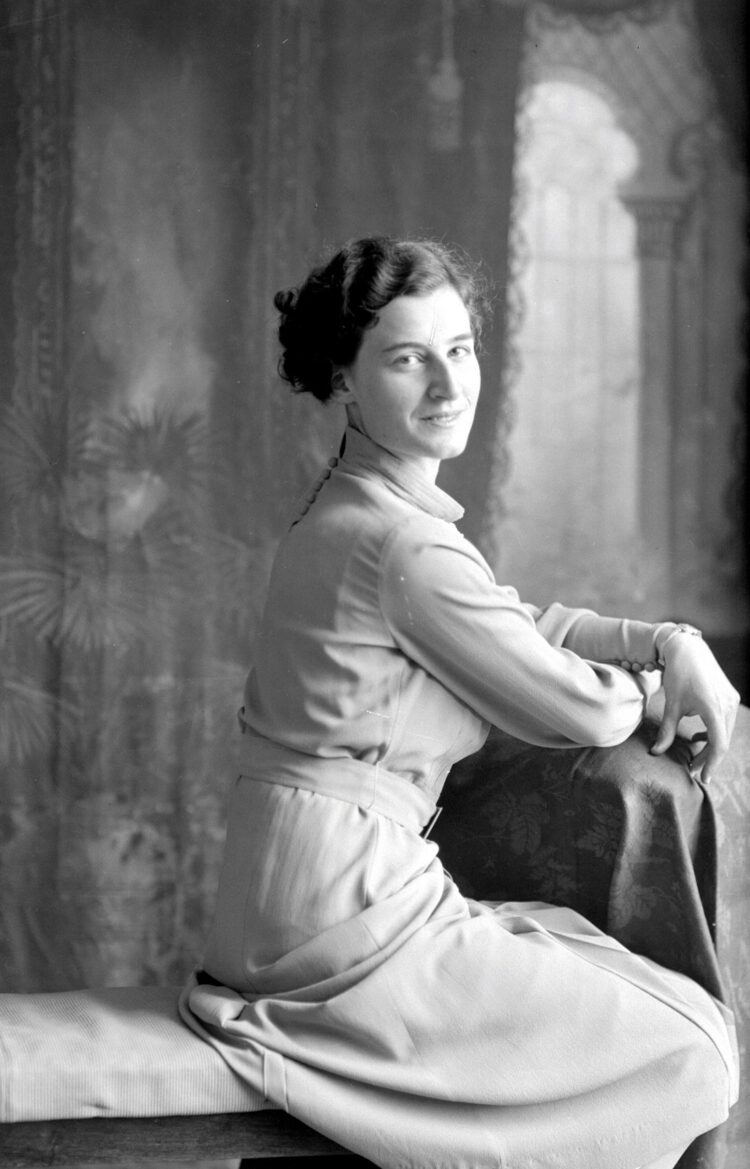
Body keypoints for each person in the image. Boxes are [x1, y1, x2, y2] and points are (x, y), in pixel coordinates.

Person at [180, 237, 739, 1169]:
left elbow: (513, 627)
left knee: (598, 967)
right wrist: (653, 681)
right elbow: (581, 713)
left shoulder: (359, 514)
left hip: (294, 899)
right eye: (407, 358)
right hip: (343, 924)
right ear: (344, 380)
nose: (448, 383)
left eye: (462, 348)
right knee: (695, 1047)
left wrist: (663, 641)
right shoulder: (402, 548)